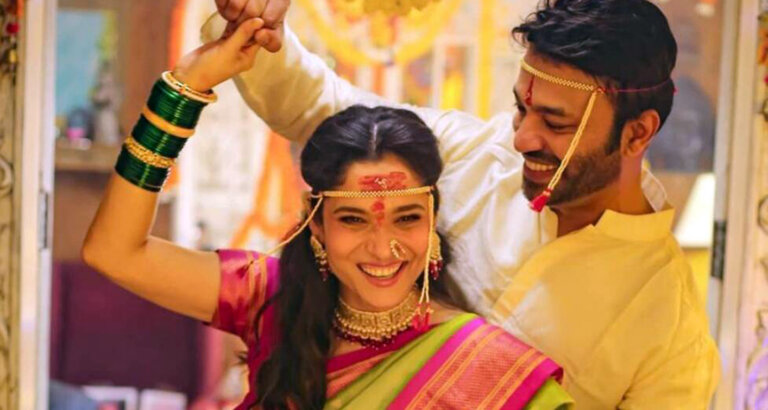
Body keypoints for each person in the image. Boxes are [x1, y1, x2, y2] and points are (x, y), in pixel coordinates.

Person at [201, 0, 722, 407]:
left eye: (555, 123)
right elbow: (323, 110)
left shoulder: (669, 330)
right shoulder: (473, 155)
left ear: (638, 133)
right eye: (521, 109)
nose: (522, 138)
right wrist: (256, 29)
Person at [81, 18, 571, 409]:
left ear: (432, 218)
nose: (383, 247)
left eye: (406, 218)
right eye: (353, 219)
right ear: (316, 224)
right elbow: (113, 251)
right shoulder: (272, 300)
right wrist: (185, 88)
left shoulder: (486, 367)